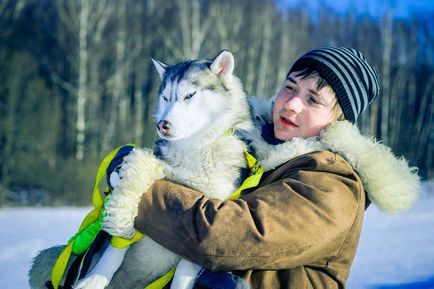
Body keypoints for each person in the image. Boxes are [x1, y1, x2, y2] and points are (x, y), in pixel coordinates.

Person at [128, 47, 419, 288]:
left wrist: (136, 187)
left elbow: (224, 238)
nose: (292, 104)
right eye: (290, 87)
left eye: (313, 99)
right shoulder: (255, 150)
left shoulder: (333, 181)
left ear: (338, 121)